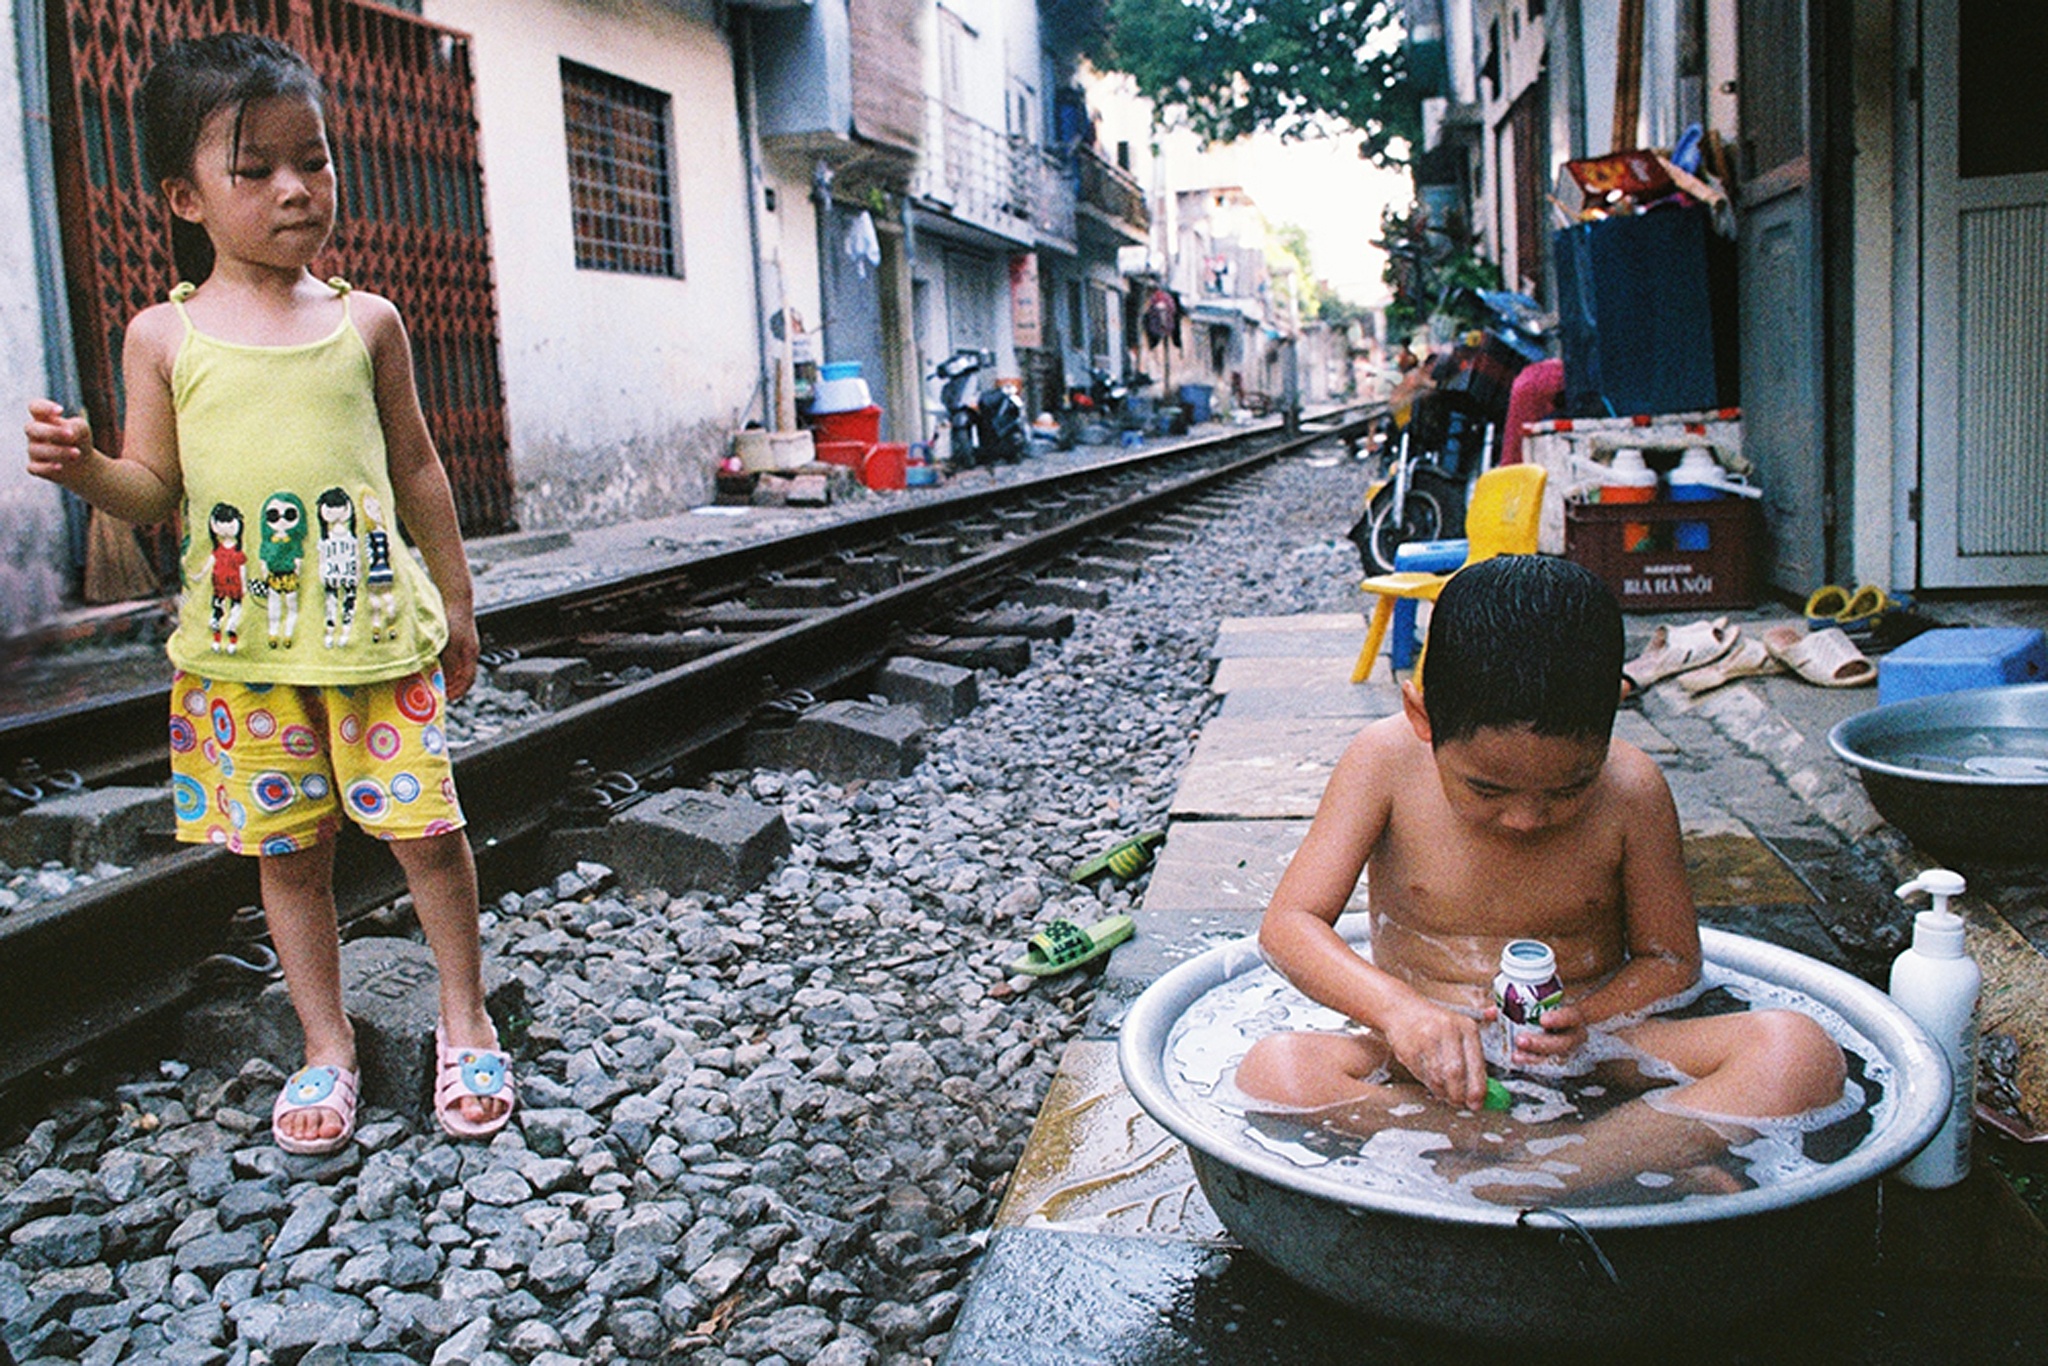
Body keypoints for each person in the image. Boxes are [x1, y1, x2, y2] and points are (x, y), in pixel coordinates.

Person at [22, 33, 511, 1154]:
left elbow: (420, 467)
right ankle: (324, 1042)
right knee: (289, 855)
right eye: (257, 169)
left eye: (315, 158)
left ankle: (465, 1015)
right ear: (183, 198)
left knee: (429, 835)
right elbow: (153, 492)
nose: (297, 188)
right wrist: (85, 468)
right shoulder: (165, 337)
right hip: (244, 658)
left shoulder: (364, 323)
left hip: (375, 643)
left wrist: (460, 599)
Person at [1235, 555, 1845, 1201]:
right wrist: (1403, 1013)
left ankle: (1554, 1164)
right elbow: (1289, 927)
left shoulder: (1633, 789)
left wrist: (1589, 1023)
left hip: (1597, 1047)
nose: (1526, 819)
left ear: (1612, 716)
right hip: (1427, 1060)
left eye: (1569, 787)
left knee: (1798, 1052)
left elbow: (1671, 959)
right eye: (1487, 787)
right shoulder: (1383, 764)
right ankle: (1595, 1153)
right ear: (1423, 717)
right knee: (1278, 1072)